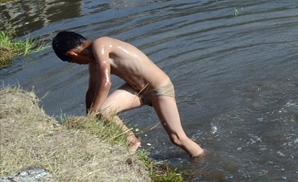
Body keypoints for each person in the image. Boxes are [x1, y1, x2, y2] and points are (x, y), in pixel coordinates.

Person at [52, 31, 205, 158]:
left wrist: (91, 117)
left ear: (72, 54)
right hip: (138, 90)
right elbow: (92, 92)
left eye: (72, 62)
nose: (78, 64)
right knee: (104, 111)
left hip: (159, 89)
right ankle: (132, 141)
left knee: (177, 138)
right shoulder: (94, 62)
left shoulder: (101, 44)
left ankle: (203, 161)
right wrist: (89, 122)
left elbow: (106, 82)